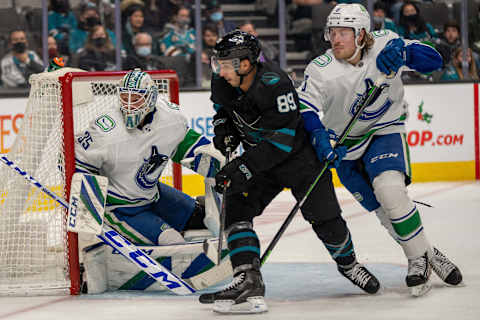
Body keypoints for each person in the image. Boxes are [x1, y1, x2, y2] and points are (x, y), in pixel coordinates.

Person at [198, 30, 380, 314]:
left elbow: (280, 144)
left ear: (245, 64)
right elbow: (222, 110)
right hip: (262, 160)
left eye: (225, 62)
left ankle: (348, 264)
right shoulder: (222, 80)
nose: (218, 69)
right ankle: (247, 279)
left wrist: (242, 166)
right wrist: (224, 130)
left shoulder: (275, 84)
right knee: (236, 206)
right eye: (218, 62)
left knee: (327, 220)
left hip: (300, 162)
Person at [297, 3, 463, 297]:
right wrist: (319, 136)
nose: (335, 39)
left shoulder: (387, 42)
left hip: (384, 131)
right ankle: (428, 252)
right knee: (384, 212)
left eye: (343, 33)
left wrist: (405, 54)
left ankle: (416, 260)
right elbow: (307, 109)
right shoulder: (320, 69)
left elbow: (439, 58)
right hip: (344, 147)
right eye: (332, 32)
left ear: (361, 35)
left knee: (390, 191)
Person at [74, 69, 220, 247]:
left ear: (151, 98)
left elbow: (191, 149)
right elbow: (76, 164)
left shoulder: (171, 119)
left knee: (202, 218)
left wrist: (223, 170)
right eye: (124, 98)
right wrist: (88, 221)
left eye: (135, 99)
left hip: (153, 195)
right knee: (174, 244)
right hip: (119, 208)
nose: (128, 105)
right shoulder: (105, 131)